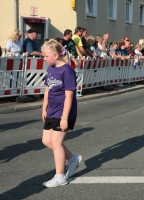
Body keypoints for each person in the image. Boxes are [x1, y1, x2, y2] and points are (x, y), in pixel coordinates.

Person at [41, 39, 82, 187]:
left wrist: (65, 117)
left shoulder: (67, 70)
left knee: (57, 143)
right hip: (52, 110)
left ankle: (60, 177)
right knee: (46, 141)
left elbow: (69, 95)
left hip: (64, 111)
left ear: (56, 55)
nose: (44, 59)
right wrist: (44, 107)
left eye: (46, 56)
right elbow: (48, 89)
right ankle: (72, 159)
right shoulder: (51, 69)